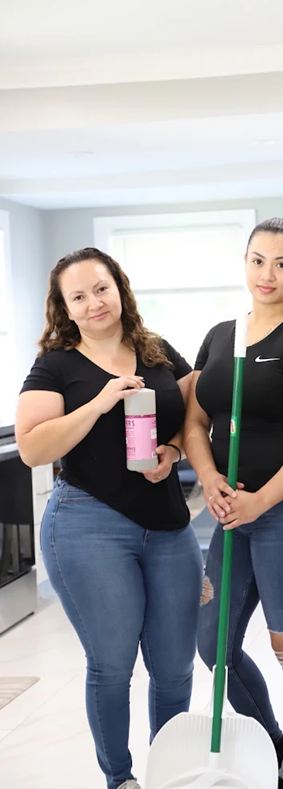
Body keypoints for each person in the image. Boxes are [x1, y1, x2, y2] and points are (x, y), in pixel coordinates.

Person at [15, 248, 203, 789]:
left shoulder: (158, 351)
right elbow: (31, 447)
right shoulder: (56, 365)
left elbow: (196, 411)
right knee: (113, 666)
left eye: (101, 288)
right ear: (65, 309)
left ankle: (168, 774)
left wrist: (172, 449)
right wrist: (98, 403)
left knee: (174, 670)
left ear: (119, 288)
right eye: (79, 296)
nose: (94, 303)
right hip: (87, 525)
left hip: (168, 525)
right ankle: (120, 780)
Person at [184, 218, 283, 789]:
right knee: (210, 643)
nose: (266, 273)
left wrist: (262, 500)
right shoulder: (221, 335)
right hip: (230, 512)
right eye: (256, 260)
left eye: (280, 263)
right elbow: (198, 420)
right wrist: (210, 477)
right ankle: (274, 742)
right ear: (244, 263)